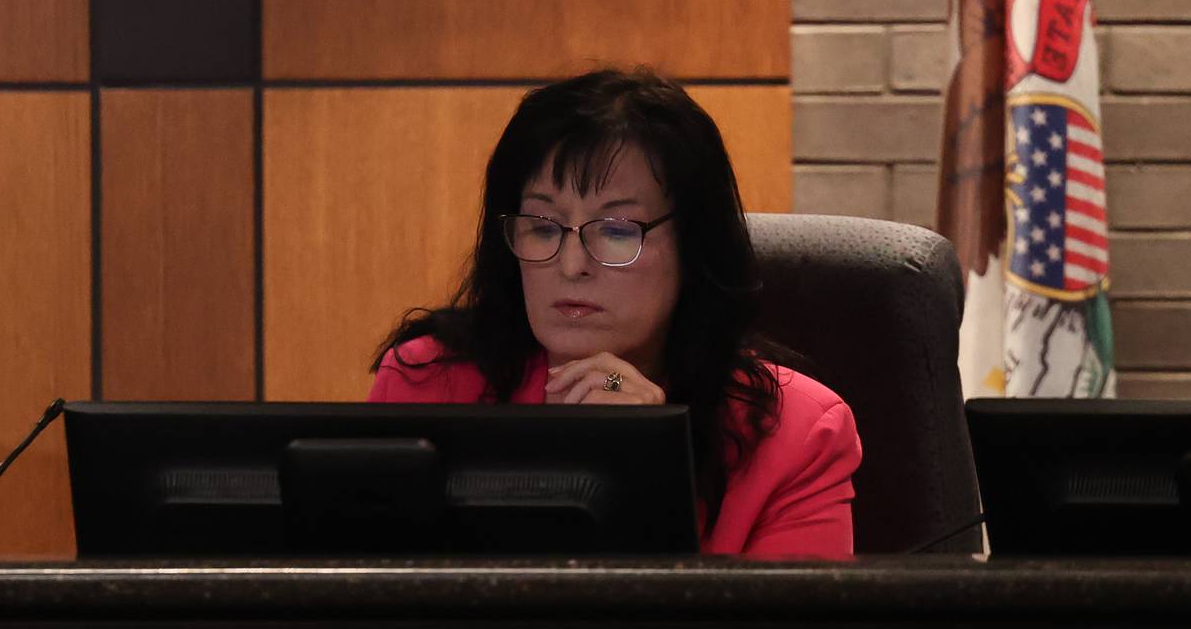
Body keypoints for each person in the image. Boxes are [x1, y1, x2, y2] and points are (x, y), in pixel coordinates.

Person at [367, 68, 861, 558]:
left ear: (694, 246)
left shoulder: (796, 434)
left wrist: (644, 474)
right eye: (542, 226)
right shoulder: (427, 382)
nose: (572, 264)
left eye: (618, 230)